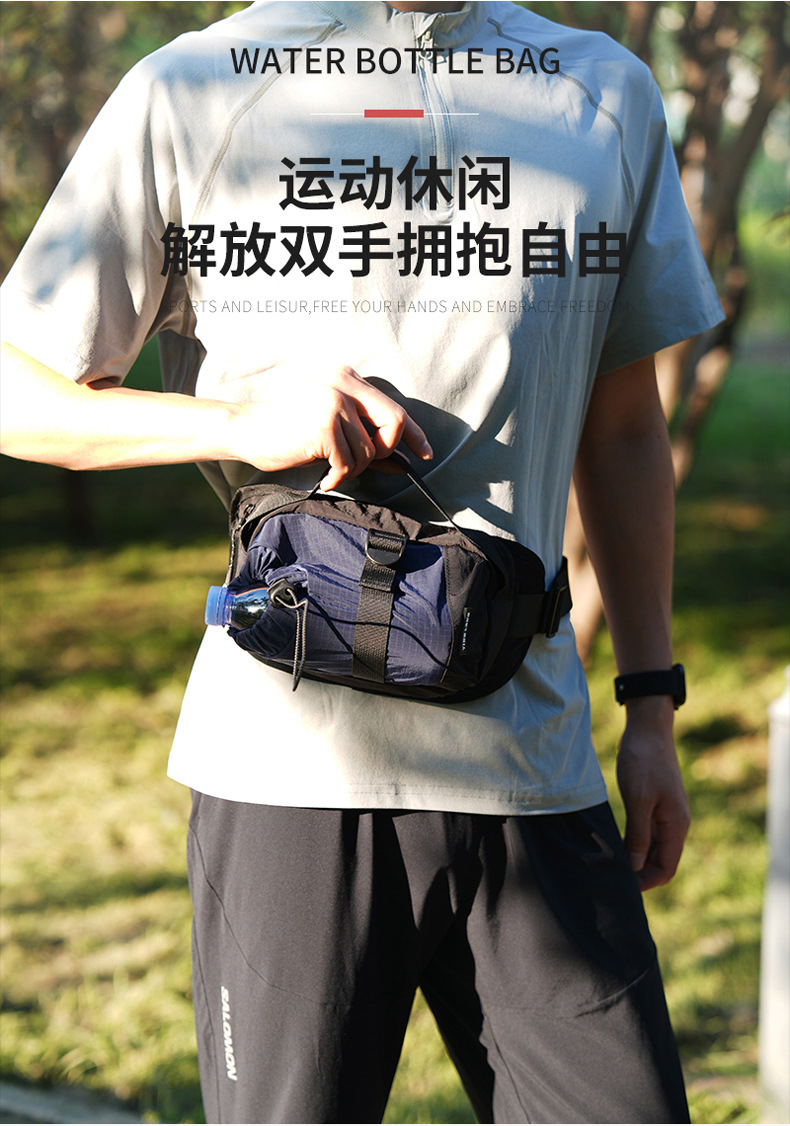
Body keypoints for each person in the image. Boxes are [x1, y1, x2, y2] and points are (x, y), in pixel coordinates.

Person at [0, 1, 724, 1121]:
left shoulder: (600, 94)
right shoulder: (194, 90)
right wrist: (241, 423)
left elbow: (624, 428)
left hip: (532, 761)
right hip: (288, 770)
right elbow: (19, 391)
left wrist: (651, 707)